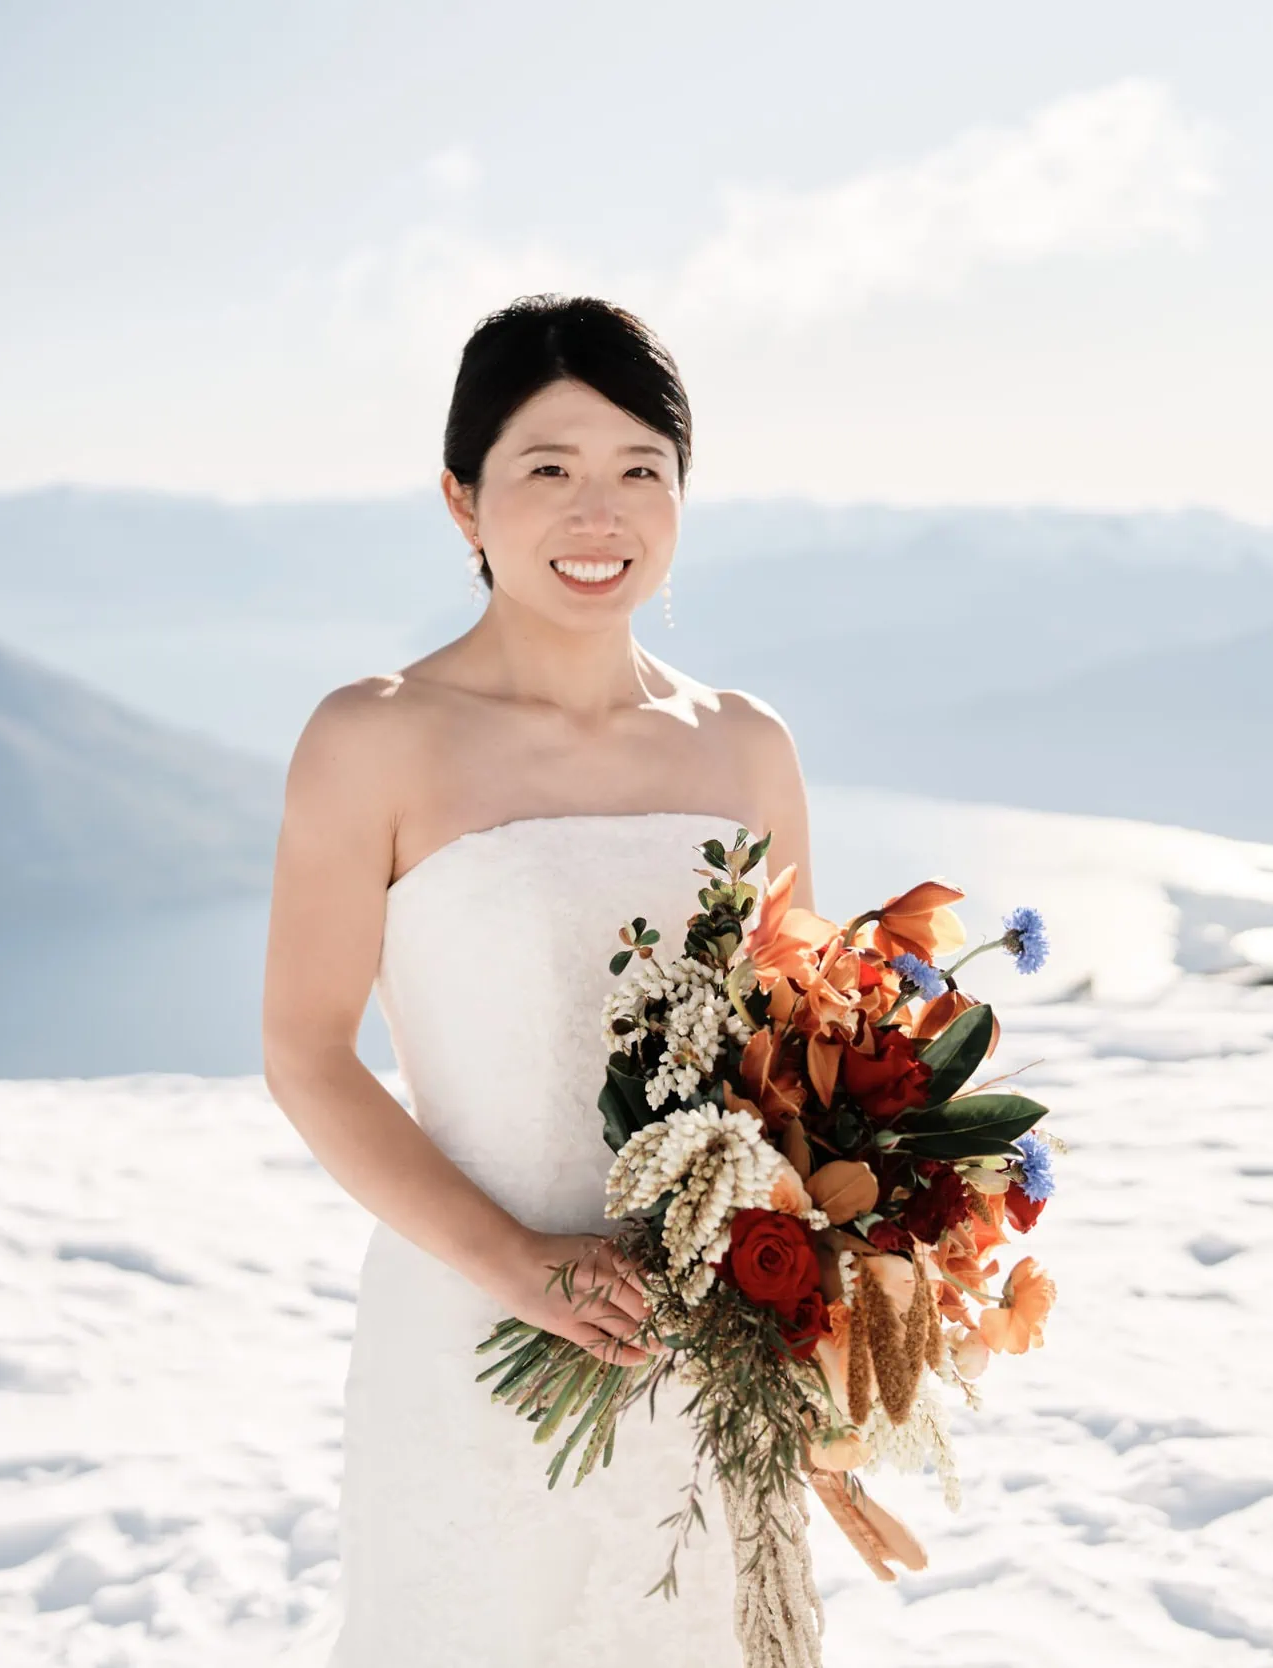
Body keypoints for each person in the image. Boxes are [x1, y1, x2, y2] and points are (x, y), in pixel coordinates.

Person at [261, 294, 816, 1665]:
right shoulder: (372, 737)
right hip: (470, 1331)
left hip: (712, 1350)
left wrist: (825, 1292)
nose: (599, 514)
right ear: (464, 500)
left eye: (642, 471)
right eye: (549, 471)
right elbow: (307, 1052)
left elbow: (800, 1054)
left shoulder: (748, 748)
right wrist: (518, 1267)